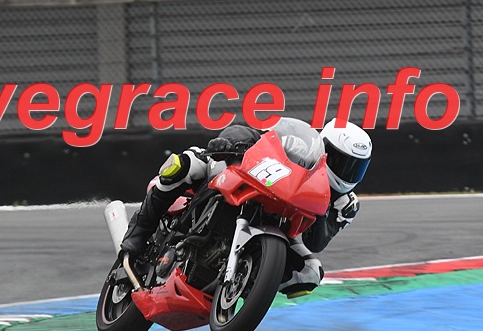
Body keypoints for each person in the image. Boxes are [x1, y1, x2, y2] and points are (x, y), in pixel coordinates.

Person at [120, 118, 372, 298]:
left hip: (288, 226)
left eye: (356, 167)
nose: (347, 172)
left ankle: (250, 282)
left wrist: (323, 205)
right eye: (341, 162)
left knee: (311, 273)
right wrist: (229, 142)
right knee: (186, 163)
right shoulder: (299, 145)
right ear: (324, 149)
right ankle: (139, 232)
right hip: (253, 180)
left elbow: (316, 242)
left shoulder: (346, 205)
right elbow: (257, 135)